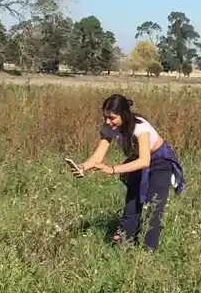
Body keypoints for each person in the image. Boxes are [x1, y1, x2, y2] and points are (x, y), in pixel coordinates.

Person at [74, 94, 185, 250]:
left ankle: (148, 252)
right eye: (105, 117)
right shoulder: (108, 128)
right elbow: (99, 155)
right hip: (136, 160)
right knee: (132, 204)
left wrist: (113, 169)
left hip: (159, 163)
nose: (107, 121)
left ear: (124, 115)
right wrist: (83, 167)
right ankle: (123, 245)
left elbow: (144, 161)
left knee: (154, 208)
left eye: (112, 118)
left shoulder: (140, 127)